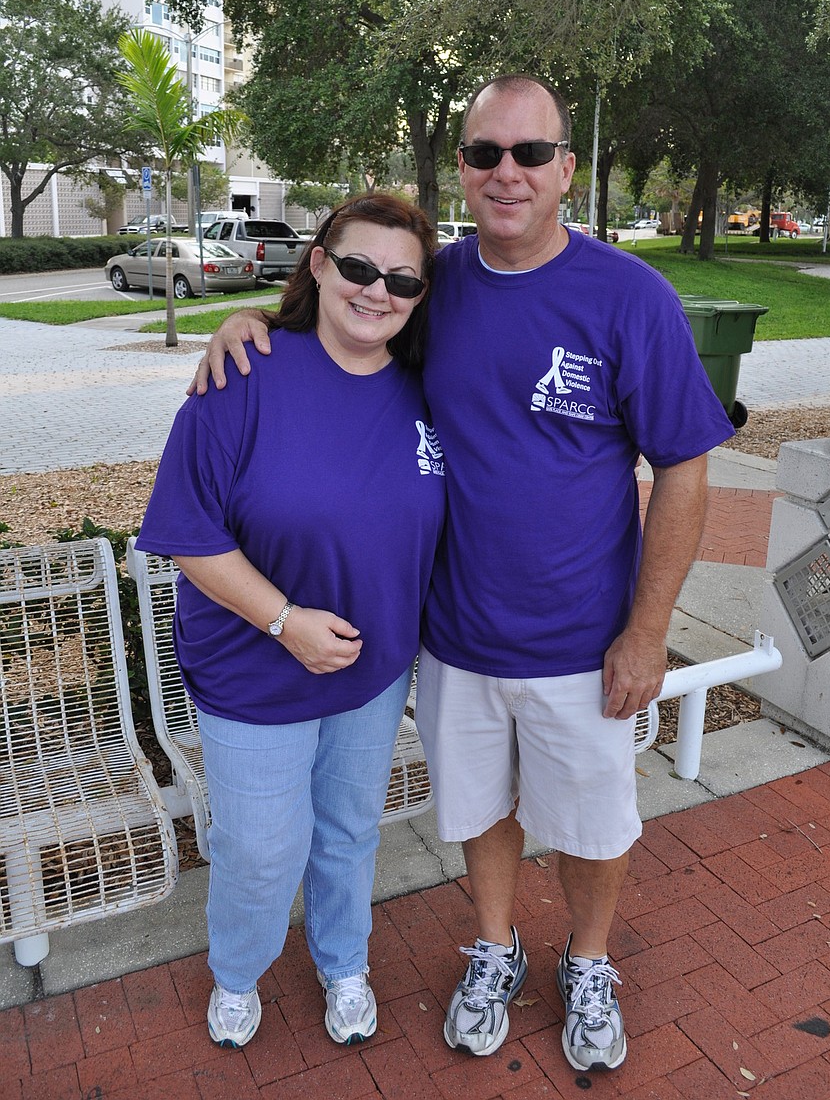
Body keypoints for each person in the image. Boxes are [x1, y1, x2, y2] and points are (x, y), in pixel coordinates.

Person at [190, 75, 734, 1073]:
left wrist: (648, 630)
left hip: (584, 636)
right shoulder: (429, 288)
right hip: (449, 637)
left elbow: (686, 466)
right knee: (481, 812)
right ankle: (493, 948)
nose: (507, 173)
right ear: (464, 173)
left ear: (567, 169)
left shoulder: (630, 298)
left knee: (593, 819)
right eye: (485, 154)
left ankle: (589, 959)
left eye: (531, 153)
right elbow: (343, 337)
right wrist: (248, 327)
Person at [135, 193, 445, 1052]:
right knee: (263, 849)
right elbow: (188, 536)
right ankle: (238, 971)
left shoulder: (431, 387)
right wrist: (286, 623)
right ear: (317, 263)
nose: (376, 290)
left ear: (422, 295)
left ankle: (344, 958)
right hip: (255, 669)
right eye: (356, 267)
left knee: (347, 831)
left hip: (371, 670)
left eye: (402, 279)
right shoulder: (245, 373)